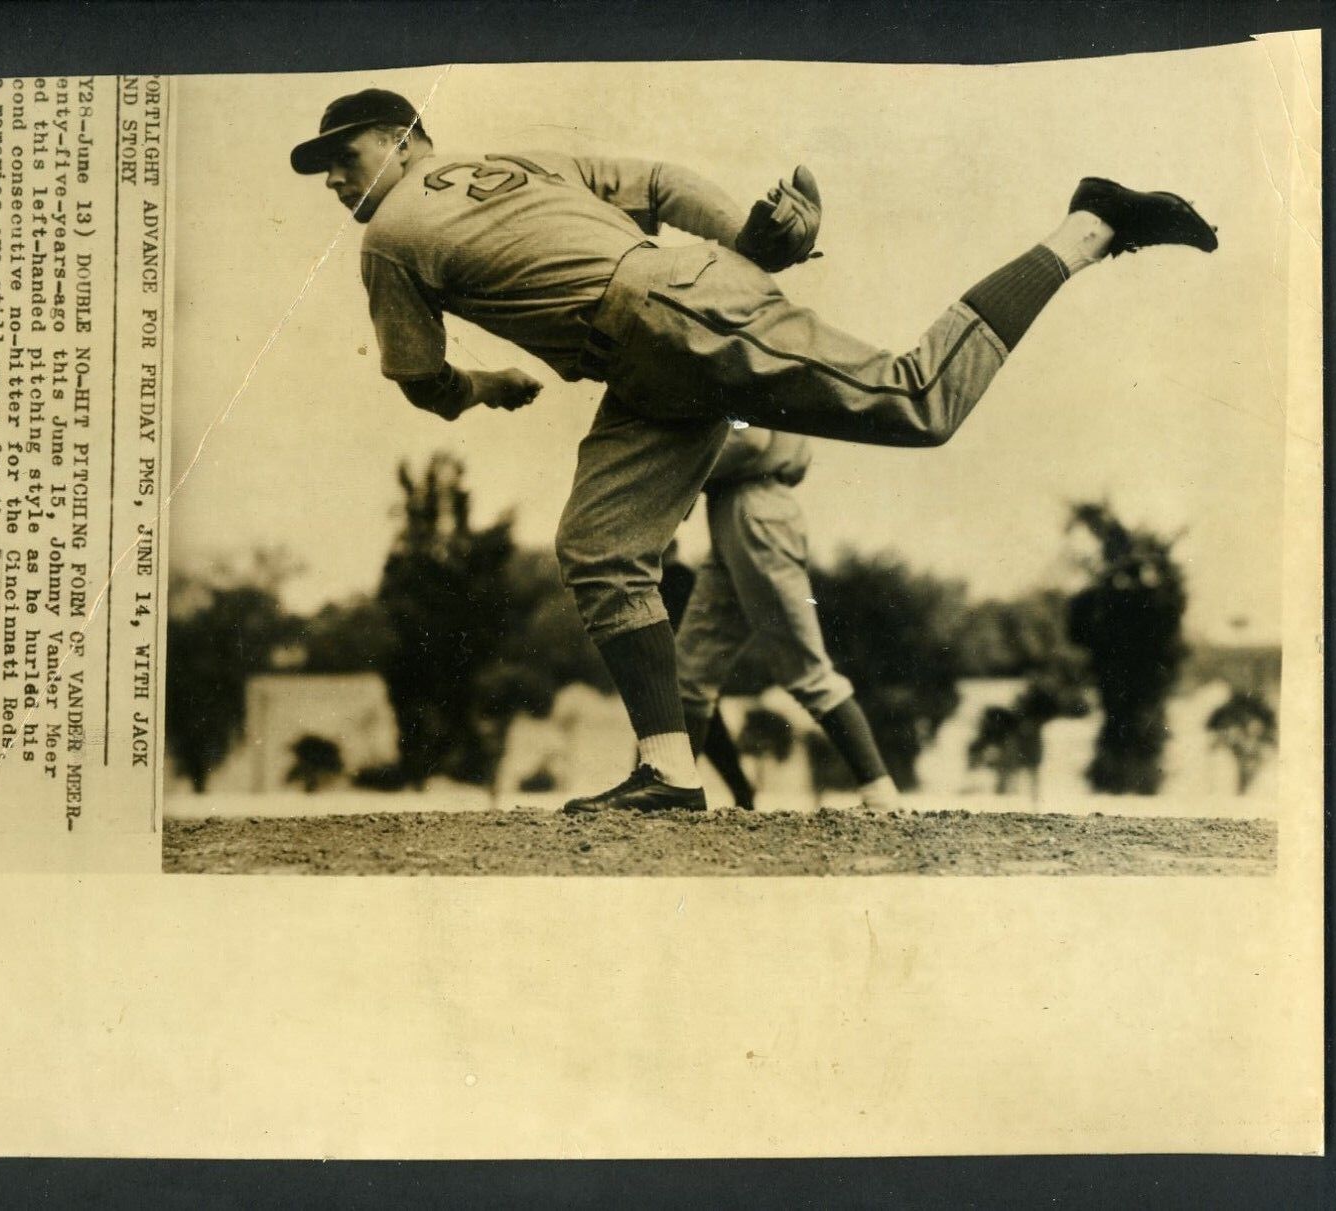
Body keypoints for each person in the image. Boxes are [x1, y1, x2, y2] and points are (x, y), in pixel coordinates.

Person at [289, 88, 1218, 814]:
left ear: (406, 139)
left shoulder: (389, 236)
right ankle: (668, 771)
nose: (335, 177)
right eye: (325, 167)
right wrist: (744, 239)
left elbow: (418, 377)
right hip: (653, 351)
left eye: (346, 153)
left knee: (917, 400)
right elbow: (655, 182)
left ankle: (1088, 226)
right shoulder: (516, 163)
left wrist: (486, 389)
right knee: (599, 550)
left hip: (664, 314)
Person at [675, 424, 901, 811]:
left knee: (805, 668)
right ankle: (670, 787)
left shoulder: (748, 363)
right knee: (689, 672)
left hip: (755, 507)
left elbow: (750, 439)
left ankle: (880, 796)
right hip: (740, 508)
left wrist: (673, 469)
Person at [659, 541, 755, 810]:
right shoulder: (680, 577)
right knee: (704, 729)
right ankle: (740, 790)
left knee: (688, 727)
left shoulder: (675, 578)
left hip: (685, 667)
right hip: (689, 666)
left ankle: (668, 788)